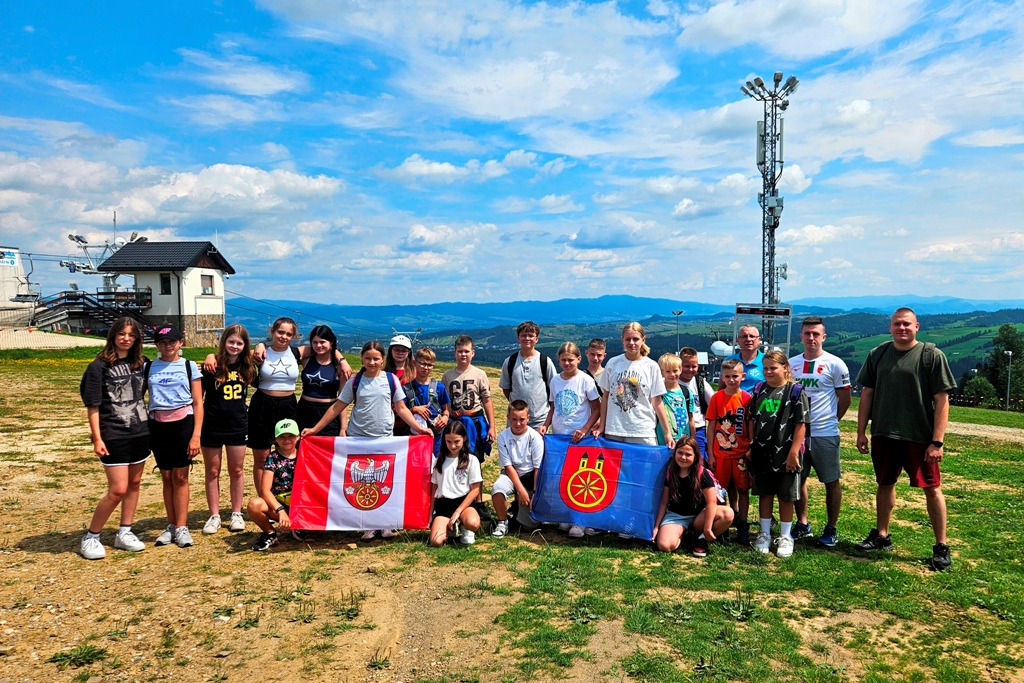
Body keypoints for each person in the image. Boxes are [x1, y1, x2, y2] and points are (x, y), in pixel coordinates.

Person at [855, 307, 957, 571]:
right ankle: (882, 535)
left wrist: (937, 442)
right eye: (897, 324)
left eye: (907, 324)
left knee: (932, 488)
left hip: (919, 437)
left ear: (917, 327)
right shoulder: (877, 354)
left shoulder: (931, 356)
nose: (902, 328)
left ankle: (941, 545)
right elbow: (867, 393)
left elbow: (942, 399)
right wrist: (860, 431)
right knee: (884, 483)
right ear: (890, 327)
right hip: (884, 433)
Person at [301, 340, 430, 541]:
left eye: (376, 359)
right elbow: (337, 407)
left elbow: (401, 408)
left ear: (382, 359)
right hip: (358, 440)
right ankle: (368, 525)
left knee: (384, 482)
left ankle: (385, 524)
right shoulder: (355, 381)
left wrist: (419, 428)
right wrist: (316, 430)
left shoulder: (391, 380)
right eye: (368, 358)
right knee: (362, 483)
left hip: (384, 440)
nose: (372, 362)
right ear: (362, 358)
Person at [78, 318, 150, 559]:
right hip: (114, 433)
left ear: (137, 339)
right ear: (113, 336)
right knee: (118, 489)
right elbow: (93, 405)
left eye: (131, 335)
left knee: (135, 484)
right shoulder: (98, 366)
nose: (126, 338)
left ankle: (125, 531)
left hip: (140, 431)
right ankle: (92, 536)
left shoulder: (141, 363)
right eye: (122, 334)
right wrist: (97, 438)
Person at [788, 316, 851, 547]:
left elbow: (845, 399)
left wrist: (831, 420)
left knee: (831, 481)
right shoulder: (791, 364)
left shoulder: (835, 363)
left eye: (816, 334)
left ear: (824, 336)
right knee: (798, 479)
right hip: (797, 433)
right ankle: (802, 524)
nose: (811, 338)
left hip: (825, 432)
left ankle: (831, 528)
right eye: (807, 333)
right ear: (801, 336)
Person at [746, 351, 809, 558]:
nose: (769, 372)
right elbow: (752, 419)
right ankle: (764, 533)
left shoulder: (796, 391)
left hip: (786, 452)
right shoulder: (759, 390)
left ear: (785, 368)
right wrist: (751, 445)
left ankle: (785, 535)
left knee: (785, 495)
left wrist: (793, 452)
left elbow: (802, 424)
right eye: (765, 368)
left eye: (774, 368)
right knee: (765, 492)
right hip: (762, 451)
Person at [147, 325, 203, 549]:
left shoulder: (189, 366)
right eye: (162, 342)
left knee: (181, 477)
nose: (167, 346)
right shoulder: (148, 367)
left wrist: (196, 435)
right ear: (157, 345)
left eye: (172, 341)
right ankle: (170, 525)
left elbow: (198, 403)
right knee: (167, 477)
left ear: (181, 342)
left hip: (183, 423)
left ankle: (181, 527)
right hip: (158, 425)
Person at [200, 324, 256, 535]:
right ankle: (214, 515)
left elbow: (264, 351)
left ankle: (236, 512)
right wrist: (210, 355)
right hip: (212, 425)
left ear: (244, 345)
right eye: (230, 341)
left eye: (239, 343)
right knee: (212, 471)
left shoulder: (248, 367)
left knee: (237, 470)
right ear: (224, 342)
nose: (234, 346)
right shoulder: (212, 367)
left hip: (237, 424)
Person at [542, 342, 601, 538]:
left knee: (581, 478)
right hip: (559, 436)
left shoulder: (585, 380)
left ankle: (581, 520)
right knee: (563, 477)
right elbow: (553, 407)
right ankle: (567, 515)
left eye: (571, 359)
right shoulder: (555, 381)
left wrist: (585, 429)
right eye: (563, 360)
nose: (567, 363)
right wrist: (545, 424)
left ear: (578, 359)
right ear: (558, 360)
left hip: (580, 439)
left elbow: (597, 408)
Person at [596, 322, 674, 448]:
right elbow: (606, 397)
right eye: (628, 339)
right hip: (615, 429)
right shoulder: (613, 363)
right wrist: (602, 427)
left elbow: (657, 401)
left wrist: (667, 433)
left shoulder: (651, 366)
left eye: (635, 339)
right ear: (622, 340)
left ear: (643, 339)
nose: (631, 343)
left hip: (642, 430)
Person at [654, 437, 734, 557]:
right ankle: (685, 534)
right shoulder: (670, 472)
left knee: (728, 513)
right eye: (680, 452)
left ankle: (702, 538)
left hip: (699, 516)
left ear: (695, 456)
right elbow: (663, 503)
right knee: (665, 546)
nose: (683, 457)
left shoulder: (702, 474)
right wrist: (656, 527)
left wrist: (707, 528)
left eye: (688, 454)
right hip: (676, 516)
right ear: (674, 452)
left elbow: (711, 503)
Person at [705, 358, 752, 545]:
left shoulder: (747, 399)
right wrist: (710, 452)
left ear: (743, 376)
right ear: (721, 377)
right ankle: (723, 523)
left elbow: (750, 425)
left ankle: (743, 523)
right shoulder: (717, 398)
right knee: (720, 490)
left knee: (742, 489)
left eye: (735, 376)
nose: (731, 380)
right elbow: (711, 426)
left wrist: (749, 448)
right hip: (720, 453)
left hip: (740, 453)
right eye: (727, 376)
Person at [491, 401, 545, 538]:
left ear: (528, 418)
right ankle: (502, 522)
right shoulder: (503, 436)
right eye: (514, 419)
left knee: (528, 527)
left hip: (530, 476)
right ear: (508, 418)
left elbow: (537, 469)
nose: (518, 423)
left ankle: (521, 512)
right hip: (511, 474)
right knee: (497, 489)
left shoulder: (535, 438)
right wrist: (520, 490)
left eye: (522, 419)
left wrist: (534, 493)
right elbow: (508, 467)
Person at [247, 419, 302, 551]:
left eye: (291, 436)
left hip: (301, 506)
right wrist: (280, 511)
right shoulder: (272, 457)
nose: (286, 440)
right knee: (254, 505)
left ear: (298, 436)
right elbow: (265, 490)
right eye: (282, 437)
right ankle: (270, 532)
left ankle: (300, 525)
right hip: (279, 505)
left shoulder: (305, 454)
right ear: (275, 439)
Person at [442, 335, 497, 463]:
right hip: (454, 423)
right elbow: (444, 400)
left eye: (466, 351)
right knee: (453, 457)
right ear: (455, 353)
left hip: (474, 420)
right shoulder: (447, 375)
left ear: (473, 353)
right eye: (460, 351)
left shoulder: (480, 374)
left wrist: (492, 427)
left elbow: (487, 401)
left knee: (475, 459)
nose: (463, 354)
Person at [429, 420, 483, 546]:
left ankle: (466, 527)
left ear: (464, 439)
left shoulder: (472, 460)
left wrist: (458, 511)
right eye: (449, 442)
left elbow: (475, 490)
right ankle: (450, 528)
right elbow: (434, 487)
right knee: (435, 541)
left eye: (456, 441)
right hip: (444, 503)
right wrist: (430, 513)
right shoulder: (439, 461)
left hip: (464, 503)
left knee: (473, 523)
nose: (452, 446)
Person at [499, 321, 558, 431]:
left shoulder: (545, 361)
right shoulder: (510, 362)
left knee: (538, 448)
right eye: (523, 335)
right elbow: (506, 388)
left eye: (531, 335)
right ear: (518, 338)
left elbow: (554, 389)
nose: (527, 338)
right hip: (516, 419)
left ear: (537, 339)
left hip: (540, 419)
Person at [296, 325, 345, 438]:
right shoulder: (306, 360)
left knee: (326, 450)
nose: (318, 345)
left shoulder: (340, 367)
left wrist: (343, 428)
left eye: (322, 342)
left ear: (331, 342)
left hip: (329, 412)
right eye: (315, 342)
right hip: (304, 410)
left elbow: (343, 399)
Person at [406, 346, 451, 456]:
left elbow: (446, 410)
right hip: (415, 437)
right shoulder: (407, 389)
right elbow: (401, 412)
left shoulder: (439, 387)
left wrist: (445, 418)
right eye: (422, 363)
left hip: (436, 437)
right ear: (414, 363)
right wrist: (414, 410)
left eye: (429, 365)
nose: (425, 367)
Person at [679, 347, 714, 463]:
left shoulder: (699, 383)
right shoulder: (670, 382)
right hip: (677, 429)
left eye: (694, 366)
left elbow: (714, 403)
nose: (690, 370)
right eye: (686, 366)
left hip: (698, 428)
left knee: (698, 460)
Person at [656, 353, 695, 446]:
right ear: (662, 372)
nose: (672, 374)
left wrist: (693, 439)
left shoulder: (686, 392)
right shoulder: (658, 393)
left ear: (680, 369)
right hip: (663, 442)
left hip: (684, 442)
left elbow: (691, 418)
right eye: (668, 371)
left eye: (675, 371)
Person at [727, 325, 765, 392]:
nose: (748, 339)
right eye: (744, 336)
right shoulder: (729, 361)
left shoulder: (767, 361)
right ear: (737, 340)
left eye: (752, 336)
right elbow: (722, 388)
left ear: (759, 340)